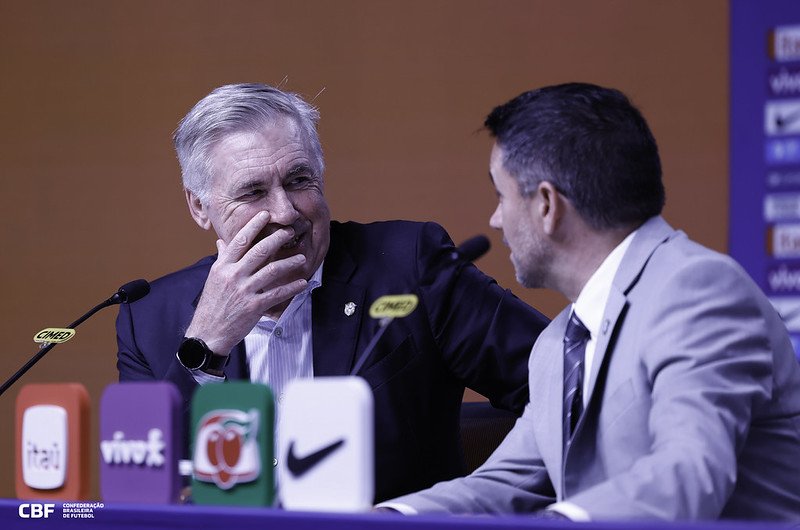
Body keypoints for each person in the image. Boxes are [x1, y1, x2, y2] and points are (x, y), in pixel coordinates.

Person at [380, 83, 800, 520]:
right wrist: (384, 519)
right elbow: (503, 484)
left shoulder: (698, 290)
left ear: (547, 205)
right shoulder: (558, 341)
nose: (495, 219)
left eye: (501, 196)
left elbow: (688, 475)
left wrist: (554, 524)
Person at [115, 83, 550, 503]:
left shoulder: (409, 267)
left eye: (299, 180)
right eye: (253, 192)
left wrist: (483, 497)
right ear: (199, 207)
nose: (286, 212)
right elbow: (139, 486)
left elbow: (567, 385)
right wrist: (206, 346)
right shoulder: (149, 317)